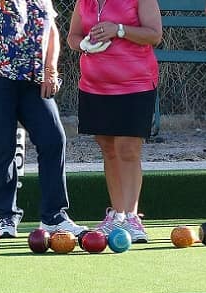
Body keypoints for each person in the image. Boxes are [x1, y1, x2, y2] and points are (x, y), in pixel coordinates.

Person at [0, 0, 86, 237]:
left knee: (53, 138)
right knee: (1, 145)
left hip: (32, 77)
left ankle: (54, 217)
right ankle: (6, 216)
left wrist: (50, 70)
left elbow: (50, 27)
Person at [66, 0, 162, 243]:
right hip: (94, 85)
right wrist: (84, 44)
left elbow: (154, 35)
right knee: (108, 149)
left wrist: (119, 29)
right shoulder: (84, 2)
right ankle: (117, 214)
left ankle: (132, 217)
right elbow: (73, 37)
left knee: (128, 148)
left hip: (135, 83)